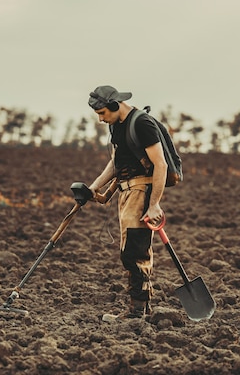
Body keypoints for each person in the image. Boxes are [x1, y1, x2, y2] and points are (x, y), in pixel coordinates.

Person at [87, 85, 168, 320]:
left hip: (141, 191)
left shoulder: (141, 124)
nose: (101, 119)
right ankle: (142, 308)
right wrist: (96, 188)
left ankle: (136, 312)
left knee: (134, 251)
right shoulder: (117, 127)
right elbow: (117, 164)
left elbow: (160, 164)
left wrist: (154, 205)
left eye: (102, 113)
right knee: (131, 250)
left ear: (114, 106)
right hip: (125, 192)